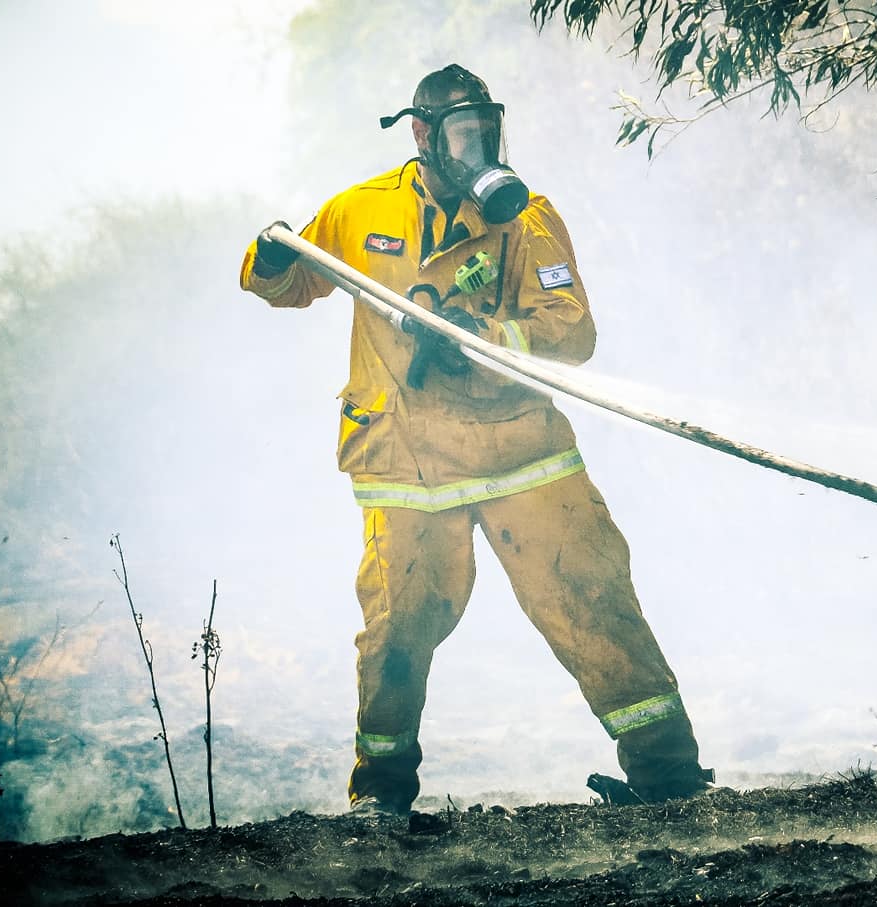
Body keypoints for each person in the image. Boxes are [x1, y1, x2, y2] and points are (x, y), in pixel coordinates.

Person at [239, 64, 711, 816]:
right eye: (461, 134)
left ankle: (671, 781)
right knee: (397, 628)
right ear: (422, 135)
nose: (477, 148)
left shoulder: (525, 219)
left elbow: (571, 331)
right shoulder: (359, 211)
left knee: (592, 600)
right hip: (407, 461)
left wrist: (482, 337)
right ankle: (382, 799)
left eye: (487, 131)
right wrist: (266, 261)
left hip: (522, 453)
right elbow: (294, 283)